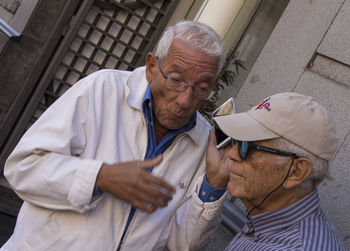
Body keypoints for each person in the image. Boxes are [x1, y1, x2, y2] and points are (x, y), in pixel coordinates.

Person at [2, 20, 230, 251]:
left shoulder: (205, 144)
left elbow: (183, 245)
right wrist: (100, 177)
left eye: (201, 88)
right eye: (176, 80)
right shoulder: (102, 90)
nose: (185, 100)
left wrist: (214, 185)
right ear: (152, 67)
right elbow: (23, 168)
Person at [208, 92, 346, 250]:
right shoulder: (265, 218)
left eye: (246, 146)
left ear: (296, 172)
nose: (232, 153)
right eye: (236, 141)